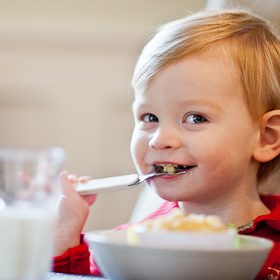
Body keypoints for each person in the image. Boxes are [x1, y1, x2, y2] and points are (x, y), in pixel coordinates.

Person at [52, 9, 280, 280]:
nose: (159, 139)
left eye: (195, 118)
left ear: (266, 137)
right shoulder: (131, 245)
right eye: (150, 117)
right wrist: (65, 233)